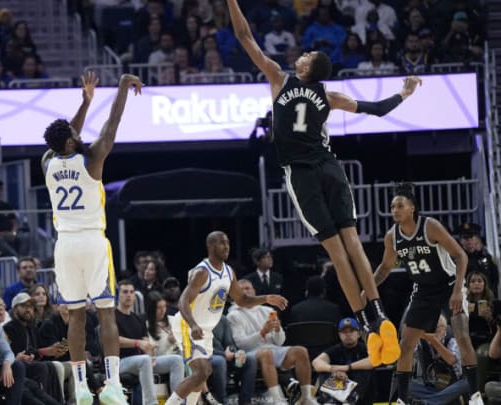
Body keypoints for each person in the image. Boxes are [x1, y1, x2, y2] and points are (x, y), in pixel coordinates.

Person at [226, 0, 424, 364]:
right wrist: (406, 93)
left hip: (302, 176)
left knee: (336, 253)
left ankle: (366, 322)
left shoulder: (278, 78)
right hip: (331, 168)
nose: (303, 53)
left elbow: (243, 35)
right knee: (354, 244)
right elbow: (377, 110)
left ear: (306, 67)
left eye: (307, 54)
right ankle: (379, 314)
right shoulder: (330, 96)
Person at [41, 71, 143, 405]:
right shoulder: (93, 158)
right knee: (106, 313)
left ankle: (81, 387)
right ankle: (113, 385)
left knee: (76, 316)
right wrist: (122, 87)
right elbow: (112, 124)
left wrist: (85, 103)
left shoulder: (47, 162)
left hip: (65, 244)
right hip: (92, 242)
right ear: (71, 141)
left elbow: (65, 138)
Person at [372, 183, 482, 405]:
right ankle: (402, 400)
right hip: (423, 291)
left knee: (461, 337)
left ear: (412, 207)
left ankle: (475, 395)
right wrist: (368, 289)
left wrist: (459, 291)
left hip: (449, 284)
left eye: (400, 206)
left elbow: (461, 256)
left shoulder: (430, 226)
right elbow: (385, 268)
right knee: (405, 345)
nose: (394, 210)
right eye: (392, 206)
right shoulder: (392, 237)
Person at [165, 231, 291, 405]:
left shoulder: (228, 272)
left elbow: (242, 299)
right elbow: (183, 301)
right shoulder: (202, 272)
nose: (226, 247)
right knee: (201, 372)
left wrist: (266, 298)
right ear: (210, 246)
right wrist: (193, 325)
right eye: (221, 243)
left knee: (204, 372)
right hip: (188, 325)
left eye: (228, 243)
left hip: (205, 329)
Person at [227, 278, 318, 404]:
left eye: (247, 288)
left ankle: (307, 397)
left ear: (254, 291)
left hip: (273, 349)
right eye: (241, 290)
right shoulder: (233, 315)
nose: (245, 292)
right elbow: (241, 344)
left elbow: (280, 342)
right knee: (266, 353)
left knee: (300, 351)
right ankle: (277, 399)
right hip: (249, 354)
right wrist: (262, 332)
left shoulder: (268, 310)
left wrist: (277, 330)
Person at [312, 318, 374, 405]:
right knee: (324, 371)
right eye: (344, 332)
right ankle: (329, 401)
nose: (348, 334)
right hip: (337, 389)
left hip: (360, 394)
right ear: (339, 335)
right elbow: (316, 362)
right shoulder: (336, 349)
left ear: (359, 333)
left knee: (364, 370)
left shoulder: (365, 348)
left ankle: (351, 398)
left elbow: (374, 361)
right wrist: (333, 370)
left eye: (351, 331)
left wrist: (347, 368)